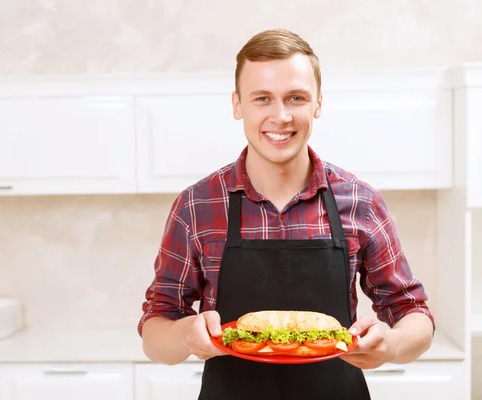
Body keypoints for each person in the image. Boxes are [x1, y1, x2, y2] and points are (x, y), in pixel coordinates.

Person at [137, 28, 435, 399]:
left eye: (295, 97)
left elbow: (413, 313)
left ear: (318, 104)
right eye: (262, 98)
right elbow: (155, 327)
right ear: (237, 105)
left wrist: (390, 345)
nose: (280, 116)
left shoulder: (361, 201)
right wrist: (185, 334)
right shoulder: (197, 205)